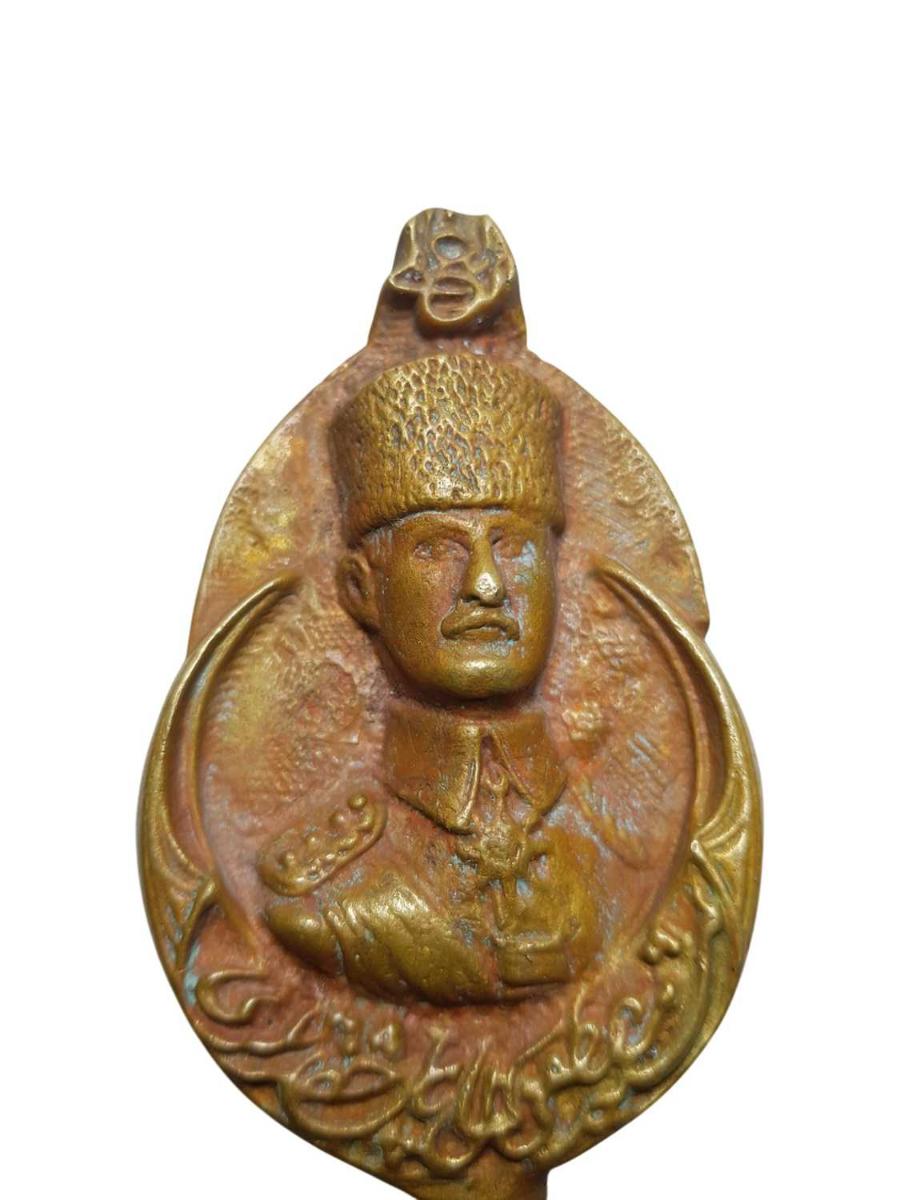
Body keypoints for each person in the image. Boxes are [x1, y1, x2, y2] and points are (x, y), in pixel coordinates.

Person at [259, 353, 602, 1005]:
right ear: (361, 591)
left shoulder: (629, 844)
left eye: (513, 545)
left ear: (557, 576)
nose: (486, 585)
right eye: (437, 548)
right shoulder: (325, 898)